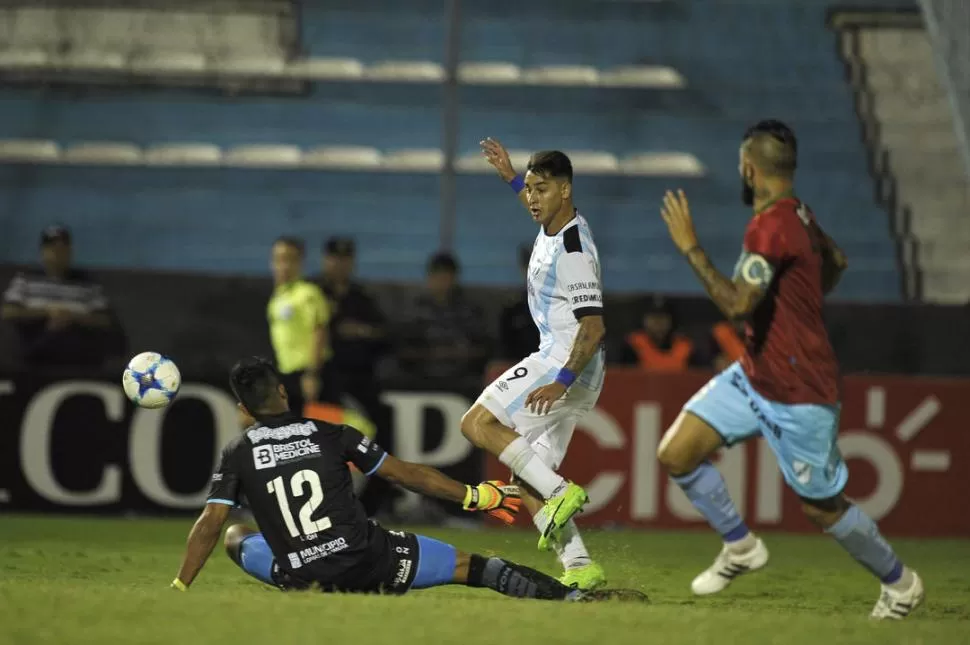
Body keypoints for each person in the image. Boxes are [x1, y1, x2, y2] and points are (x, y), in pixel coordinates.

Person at [656, 119, 923, 619]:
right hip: (757, 372)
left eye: (741, 165)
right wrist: (800, 307)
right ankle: (740, 546)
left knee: (822, 508)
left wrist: (690, 246)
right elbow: (836, 260)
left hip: (799, 389)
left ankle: (901, 584)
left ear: (750, 169)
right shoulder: (798, 214)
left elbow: (737, 305)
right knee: (676, 454)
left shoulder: (770, 225)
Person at [169, 357, 637, 603]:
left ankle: (296, 572)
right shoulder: (332, 434)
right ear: (284, 393)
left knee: (235, 534)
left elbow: (211, 524)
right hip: (371, 562)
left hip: (301, 576)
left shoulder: (239, 451)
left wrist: (182, 586)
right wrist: (476, 495)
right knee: (476, 568)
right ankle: (573, 598)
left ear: (243, 410)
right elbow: (408, 476)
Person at [460, 139, 606, 590]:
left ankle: (562, 492)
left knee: (477, 424)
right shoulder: (554, 222)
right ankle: (581, 566)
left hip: (565, 360)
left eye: (540, 190)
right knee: (525, 470)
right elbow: (529, 193)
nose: (531, 199)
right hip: (574, 366)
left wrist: (561, 380)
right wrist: (509, 174)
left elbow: (595, 327)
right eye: (529, 190)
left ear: (565, 190)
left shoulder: (575, 250)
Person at [0, 225, 122, 368]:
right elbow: (8, 312)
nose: (58, 254)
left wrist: (70, 317)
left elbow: (104, 319)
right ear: (43, 252)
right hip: (35, 345)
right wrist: (48, 313)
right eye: (53, 249)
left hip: (78, 347)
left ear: (70, 251)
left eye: (63, 249)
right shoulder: (25, 280)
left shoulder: (87, 284)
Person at [396, 252, 489, 391]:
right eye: (437, 276)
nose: (442, 282)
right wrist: (431, 354)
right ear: (429, 277)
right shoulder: (415, 310)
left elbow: (483, 346)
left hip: (462, 373)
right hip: (422, 371)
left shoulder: (469, 310)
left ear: (454, 278)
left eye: (446, 276)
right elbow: (402, 347)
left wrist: (458, 354)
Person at [267, 237, 339, 416]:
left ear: (300, 262)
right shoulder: (278, 298)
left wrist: (312, 374)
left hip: (310, 374)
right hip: (288, 375)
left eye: (290, 259)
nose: (284, 266)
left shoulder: (307, 293)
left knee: (323, 431)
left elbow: (319, 330)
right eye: (279, 259)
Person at [621, 294, 693, 372]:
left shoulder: (685, 347)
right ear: (644, 320)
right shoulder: (631, 346)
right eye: (653, 318)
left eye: (663, 317)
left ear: (671, 321)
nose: (658, 323)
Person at [498, 244, 540, 360]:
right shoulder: (513, 308)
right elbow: (505, 346)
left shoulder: (564, 304)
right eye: (528, 267)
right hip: (519, 367)